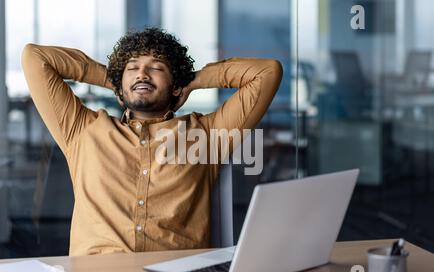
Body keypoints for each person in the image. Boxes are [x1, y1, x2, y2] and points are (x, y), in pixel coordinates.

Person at [22, 27, 283, 256]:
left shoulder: (207, 135)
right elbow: (35, 57)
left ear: (175, 87)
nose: (143, 74)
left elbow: (267, 72)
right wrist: (113, 79)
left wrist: (194, 80)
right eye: (132, 68)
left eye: (157, 67)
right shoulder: (81, 130)